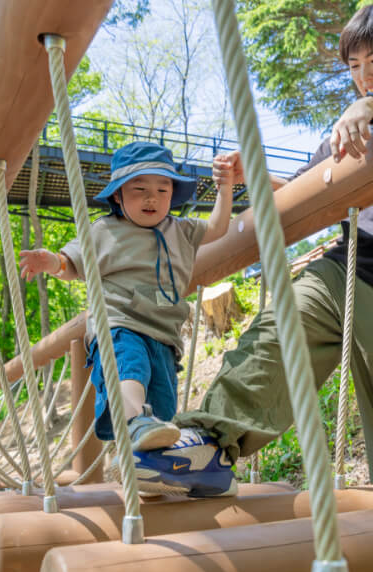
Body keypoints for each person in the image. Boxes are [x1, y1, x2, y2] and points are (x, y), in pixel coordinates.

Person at [134, 4, 373, 504]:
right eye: (355, 67)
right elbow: (302, 189)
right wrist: (253, 177)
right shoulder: (344, 135)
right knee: (275, 332)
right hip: (343, 269)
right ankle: (205, 446)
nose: (365, 76)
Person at [19, 141, 232, 472]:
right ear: (118, 195)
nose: (152, 198)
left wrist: (226, 187)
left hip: (164, 336)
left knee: (163, 406)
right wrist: (50, 262)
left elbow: (218, 227)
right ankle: (134, 420)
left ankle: (144, 461)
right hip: (120, 324)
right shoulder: (106, 230)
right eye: (140, 189)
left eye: (163, 189)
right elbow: (72, 264)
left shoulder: (180, 230)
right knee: (130, 370)